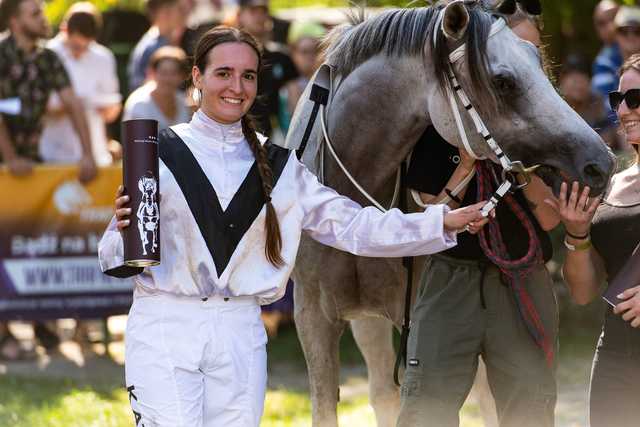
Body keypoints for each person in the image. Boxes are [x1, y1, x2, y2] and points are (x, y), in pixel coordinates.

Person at [98, 26, 490, 426]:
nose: (237, 86)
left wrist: (440, 221)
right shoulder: (157, 152)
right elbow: (113, 257)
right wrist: (126, 229)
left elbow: (354, 225)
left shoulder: (280, 167)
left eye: (248, 76)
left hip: (240, 331)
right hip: (166, 325)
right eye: (223, 73)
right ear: (197, 77)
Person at [397, 10, 561, 427]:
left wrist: (520, 168)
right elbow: (427, 213)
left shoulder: (549, 123)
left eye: (533, 53)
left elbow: (549, 221)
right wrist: (470, 161)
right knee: (426, 402)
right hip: (451, 276)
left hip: (521, 277)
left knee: (529, 404)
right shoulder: (441, 120)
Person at [0, 0, 97, 359]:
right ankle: (5, 333)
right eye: (35, 13)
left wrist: (88, 153)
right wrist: (9, 158)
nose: (44, 19)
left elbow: (73, 105)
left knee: (31, 240)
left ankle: (40, 321)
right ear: (14, 20)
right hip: (6, 164)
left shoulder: (49, 58)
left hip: (30, 163)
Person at [550, 53, 640, 427]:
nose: (624, 109)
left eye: (636, 99)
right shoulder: (612, 183)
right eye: (618, 100)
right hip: (616, 353)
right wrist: (577, 233)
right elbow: (585, 292)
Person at [40, 2, 122, 167]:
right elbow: (38, 108)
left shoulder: (104, 57)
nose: (80, 51)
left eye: (86, 46)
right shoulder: (45, 55)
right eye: (76, 46)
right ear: (64, 29)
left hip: (97, 155)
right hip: (54, 155)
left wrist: (106, 108)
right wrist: (73, 105)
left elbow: (111, 112)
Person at [236, 0, 297, 136]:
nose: (259, 16)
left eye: (263, 11)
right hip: (235, 132)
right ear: (240, 15)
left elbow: (294, 101)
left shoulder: (282, 57)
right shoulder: (229, 55)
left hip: (274, 137)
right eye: (253, 11)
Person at [559, 53, 621, 151]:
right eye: (574, 79)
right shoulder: (554, 105)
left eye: (583, 78)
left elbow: (608, 139)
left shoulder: (598, 103)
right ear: (562, 81)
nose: (579, 84)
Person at [123, 46, 192, 131]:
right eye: (163, 72)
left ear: (182, 76)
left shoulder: (184, 103)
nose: (168, 79)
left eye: (174, 73)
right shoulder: (139, 104)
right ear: (152, 73)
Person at [278, 20, 325, 134]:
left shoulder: (331, 83)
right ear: (293, 54)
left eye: (316, 50)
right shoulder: (287, 89)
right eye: (305, 51)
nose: (311, 56)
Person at [127, 0, 184, 92]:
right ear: (165, 13)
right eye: (179, 10)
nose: (182, 14)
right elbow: (139, 87)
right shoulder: (151, 47)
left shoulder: (167, 41)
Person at [592, 0, 622, 103]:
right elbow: (610, 109)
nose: (610, 26)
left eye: (613, 17)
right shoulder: (603, 63)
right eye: (601, 23)